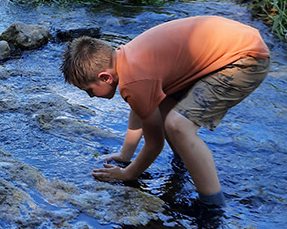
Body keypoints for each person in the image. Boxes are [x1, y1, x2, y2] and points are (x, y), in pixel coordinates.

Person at [60, 16, 270, 207]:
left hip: (245, 60)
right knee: (163, 105)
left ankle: (212, 206)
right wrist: (126, 154)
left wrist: (127, 173)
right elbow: (142, 108)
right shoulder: (126, 59)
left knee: (177, 125)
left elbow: (155, 145)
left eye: (89, 90)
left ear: (105, 77)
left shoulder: (135, 81)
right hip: (238, 45)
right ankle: (185, 160)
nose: (90, 96)